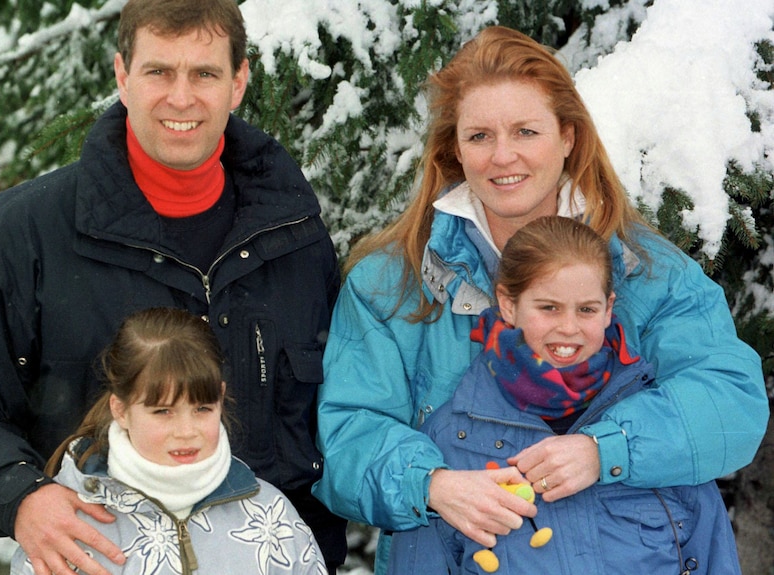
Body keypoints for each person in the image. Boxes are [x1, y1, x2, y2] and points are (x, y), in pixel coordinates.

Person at [313, 25, 768, 574]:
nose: (503, 157)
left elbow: (729, 399)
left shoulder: (646, 269)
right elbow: (346, 438)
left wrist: (607, 450)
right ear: (454, 149)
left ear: (568, 137)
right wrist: (431, 484)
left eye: (526, 131)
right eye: (479, 136)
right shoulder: (392, 285)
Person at [0, 0, 347, 574]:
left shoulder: (293, 234)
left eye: (205, 73)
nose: (182, 97)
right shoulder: (23, 238)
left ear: (239, 82)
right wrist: (17, 494)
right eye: (159, 71)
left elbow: (343, 410)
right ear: (122, 75)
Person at [386, 216, 740, 574]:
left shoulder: (659, 426)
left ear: (608, 308)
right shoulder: (452, 440)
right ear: (508, 304)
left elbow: (713, 555)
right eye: (549, 307)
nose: (569, 328)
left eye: (586, 309)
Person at [10, 307, 328, 575]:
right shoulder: (67, 521)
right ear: (120, 410)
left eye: (202, 408)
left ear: (220, 397)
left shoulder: (270, 514)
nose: (186, 431)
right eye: (163, 411)